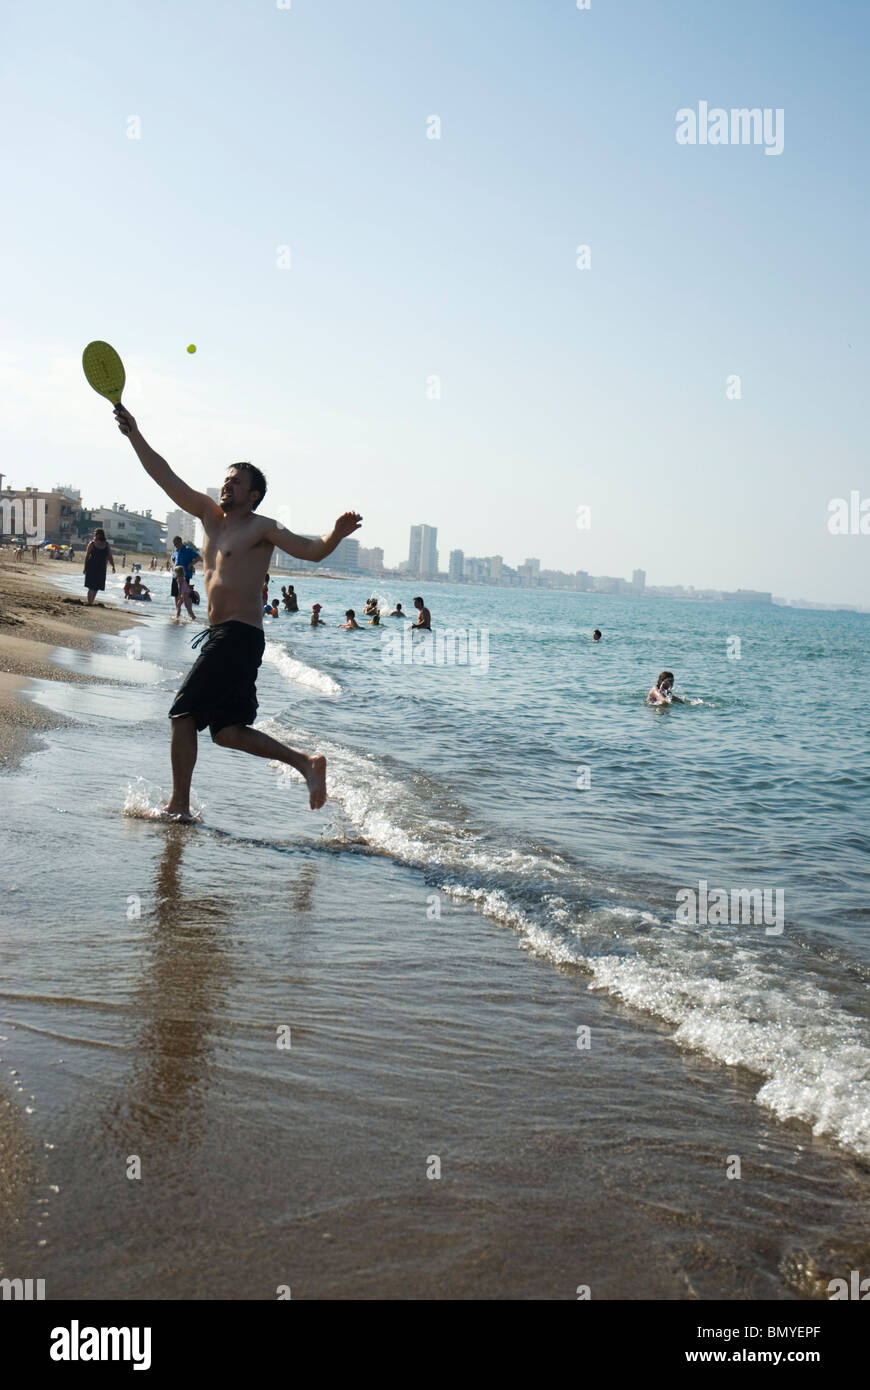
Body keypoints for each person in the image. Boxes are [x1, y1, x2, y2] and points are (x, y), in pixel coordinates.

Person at [112, 400, 361, 816]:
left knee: (182, 713)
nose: (226, 487)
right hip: (223, 636)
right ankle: (307, 763)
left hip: (239, 635)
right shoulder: (209, 516)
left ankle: (179, 806)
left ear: (254, 495)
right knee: (227, 731)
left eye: (236, 483)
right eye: (225, 480)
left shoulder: (262, 528)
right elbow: (164, 475)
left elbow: (312, 550)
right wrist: (134, 433)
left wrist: (335, 534)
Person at [83, 528, 116, 605]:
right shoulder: (91, 544)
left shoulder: (106, 544)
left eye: (97, 534)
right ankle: (89, 602)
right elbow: (87, 556)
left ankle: (91, 601)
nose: (96, 535)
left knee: (97, 586)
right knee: (90, 585)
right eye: (95, 534)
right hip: (91, 566)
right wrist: (85, 568)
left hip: (101, 567)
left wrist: (113, 566)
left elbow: (110, 556)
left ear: (101, 535)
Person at [170, 535, 200, 603]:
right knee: (175, 594)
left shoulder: (188, 549)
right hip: (175, 575)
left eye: (176, 544)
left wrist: (190, 564)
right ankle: (178, 610)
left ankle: (186, 607)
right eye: (174, 544)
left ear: (180, 542)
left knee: (184, 594)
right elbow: (172, 558)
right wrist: (173, 565)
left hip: (185, 575)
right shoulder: (175, 551)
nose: (175, 545)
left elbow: (198, 557)